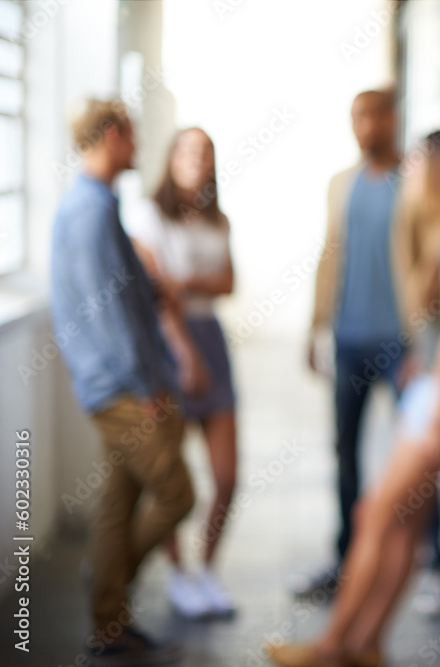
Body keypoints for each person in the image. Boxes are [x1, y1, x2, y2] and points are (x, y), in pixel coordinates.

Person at [268, 129, 440, 667]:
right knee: (403, 525)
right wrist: (425, 362)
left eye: (418, 167)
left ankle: (331, 648)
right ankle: (367, 644)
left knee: (375, 515)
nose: (409, 178)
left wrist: (437, 408)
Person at [50, 98, 205, 665]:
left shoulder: (98, 204)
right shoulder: (89, 212)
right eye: (132, 134)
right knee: (177, 492)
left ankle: (108, 623)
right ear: (112, 135)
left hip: (118, 383)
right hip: (119, 390)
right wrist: (147, 387)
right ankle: (106, 583)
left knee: (120, 502)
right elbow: (106, 314)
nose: (139, 145)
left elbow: (127, 292)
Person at [302, 89, 440, 610]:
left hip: (400, 344)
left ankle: (435, 565)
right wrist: (315, 326)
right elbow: (328, 254)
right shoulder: (340, 184)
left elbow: (431, 256)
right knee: (344, 451)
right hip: (347, 339)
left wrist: (426, 341)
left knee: (420, 450)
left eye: (371, 115)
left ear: (391, 119)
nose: (362, 125)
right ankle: (346, 559)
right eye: (355, 116)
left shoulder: (412, 182)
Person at [125, 127, 238, 619]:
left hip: (213, 338)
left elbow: (229, 281)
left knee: (227, 475)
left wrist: (186, 281)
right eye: (189, 150)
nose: (198, 159)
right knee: (171, 472)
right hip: (173, 345)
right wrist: (186, 353)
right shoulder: (149, 216)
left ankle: (206, 570)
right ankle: (177, 577)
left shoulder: (218, 219)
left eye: (206, 151)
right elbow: (159, 293)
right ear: (171, 158)